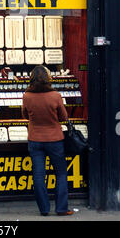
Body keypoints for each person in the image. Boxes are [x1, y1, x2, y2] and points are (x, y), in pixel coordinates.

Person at [22, 65, 73, 217]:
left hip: (35, 139)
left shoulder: (27, 96)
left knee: (38, 175)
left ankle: (44, 209)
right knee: (61, 174)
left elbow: (25, 115)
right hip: (54, 139)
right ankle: (62, 209)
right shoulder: (55, 95)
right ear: (48, 78)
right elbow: (64, 117)